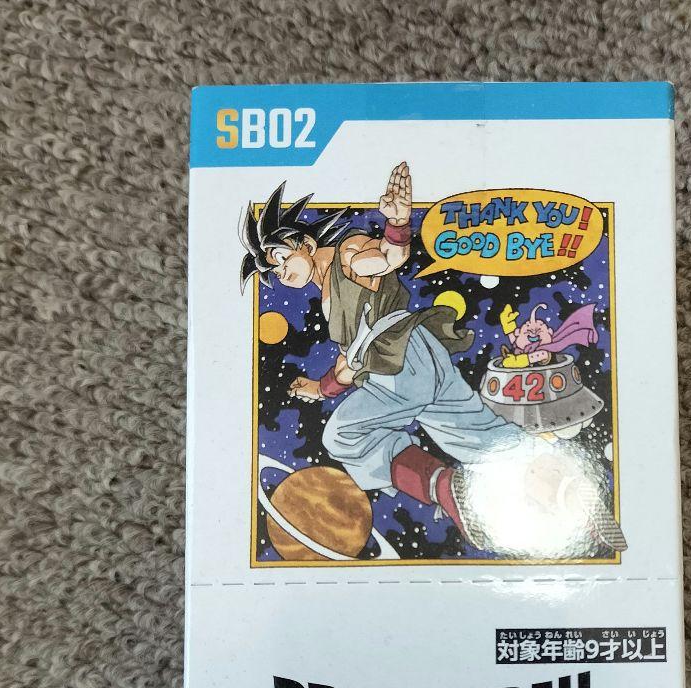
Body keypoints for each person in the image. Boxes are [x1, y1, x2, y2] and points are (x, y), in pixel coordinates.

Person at [240, 164, 625, 554]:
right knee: (486, 439)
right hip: (423, 354)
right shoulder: (328, 290)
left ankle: (445, 487)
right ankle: (569, 492)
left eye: (279, 256)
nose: (280, 271)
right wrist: (321, 389)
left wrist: (397, 225)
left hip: (399, 366)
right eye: (272, 270)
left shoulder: (346, 254)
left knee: (343, 435)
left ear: (304, 242)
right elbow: (350, 364)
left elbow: (384, 258)